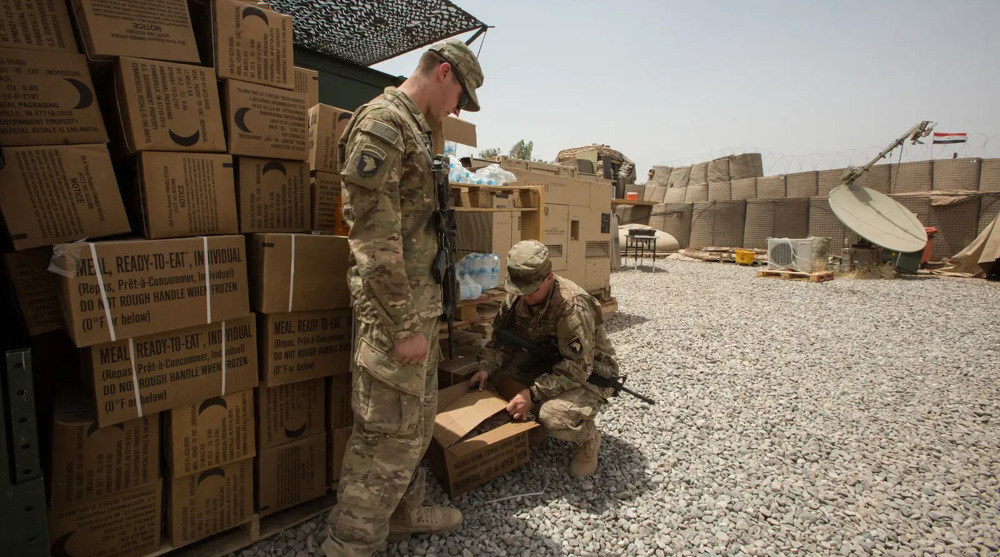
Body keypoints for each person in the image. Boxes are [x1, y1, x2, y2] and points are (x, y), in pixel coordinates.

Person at [323, 38, 484, 557]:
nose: (457, 109)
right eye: (460, 96)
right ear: (443, 73)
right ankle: (349, 546)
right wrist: (403, 327)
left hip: (419, 311)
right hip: (397, 322)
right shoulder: (383, 126)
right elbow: (372, 241)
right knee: (384, 439)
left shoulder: (417, 127)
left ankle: (402, 518)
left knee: (414, 428)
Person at [469, 240, 620, 477]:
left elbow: (579, 367)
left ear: (548, 277)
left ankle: (588, 438)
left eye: (530, 289)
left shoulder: (572, 305)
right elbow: (500, 340)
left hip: (589, 373)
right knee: (495, 383)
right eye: (519, 288)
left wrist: (533, 394)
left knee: (555, 418)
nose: (524, 296)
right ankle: (536, 422)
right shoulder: (518, 296)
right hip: (544, 363)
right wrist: (486, 366)